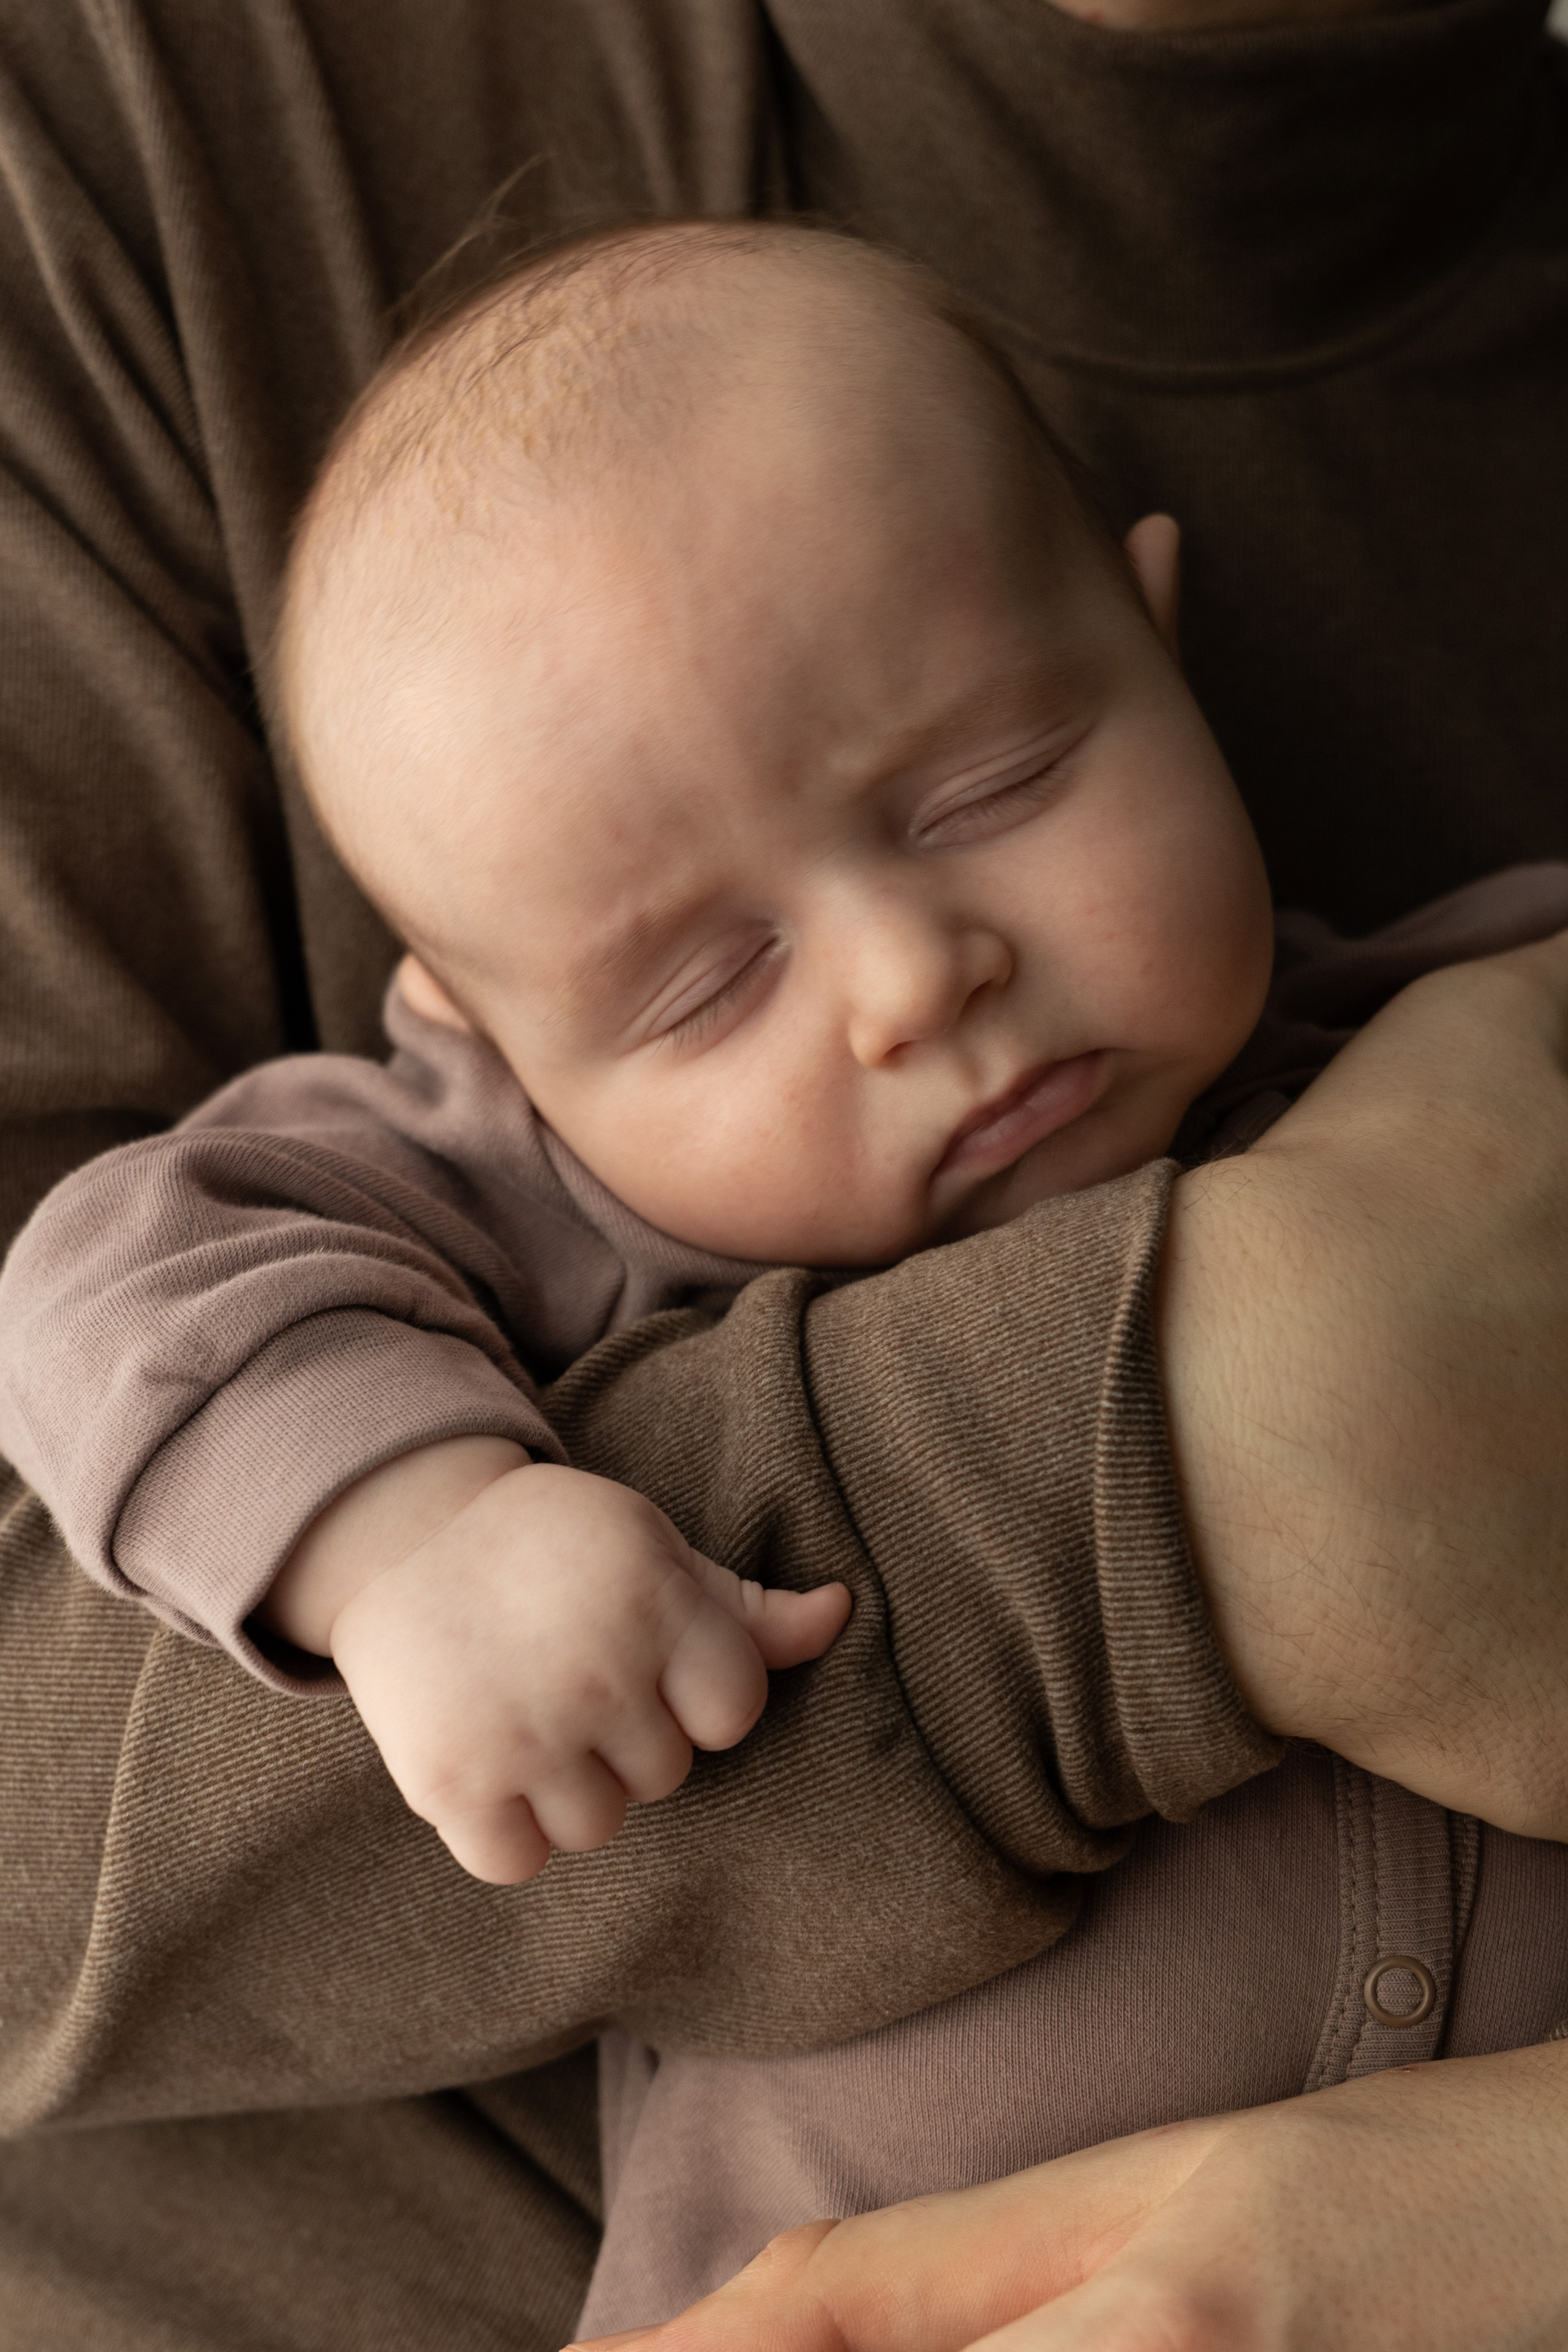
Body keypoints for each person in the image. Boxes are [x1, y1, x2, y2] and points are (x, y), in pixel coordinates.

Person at [2, 4, 1568, 2347]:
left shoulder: (1471, 1053)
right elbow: (127, 1278)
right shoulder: (547, 1208)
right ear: (482, 1034)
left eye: (989, 787)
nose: (909, 980)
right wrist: (410, 1527)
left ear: (1161, 646)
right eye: (704, 984)